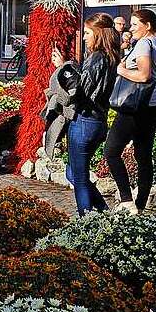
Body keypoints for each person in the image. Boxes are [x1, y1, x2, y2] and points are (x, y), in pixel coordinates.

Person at [105, 9, 156, 214]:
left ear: (147, 26)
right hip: (154, 106)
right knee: (143, 155)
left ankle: (126, 199)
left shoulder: (143, 43)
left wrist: (121, 70)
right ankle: (140, 205)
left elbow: (143, 75)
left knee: (111, 151)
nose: (130, 29)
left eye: (134, 25)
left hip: (134, 107)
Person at [53, 14, 119, 214]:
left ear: (98, 34)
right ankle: (102, 211)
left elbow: (80, 91)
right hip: (98, 122)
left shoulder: (98, 57)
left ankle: (88, 221)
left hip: (84, 121)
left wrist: (63, 68)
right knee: (73, 173)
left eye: (88, 33)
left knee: (79, 178)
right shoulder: (112, 57)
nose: (84, 37)